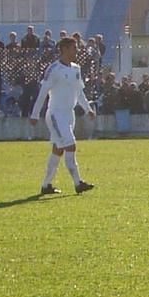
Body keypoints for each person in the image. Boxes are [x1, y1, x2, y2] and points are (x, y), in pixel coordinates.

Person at [32, 36, 96, 195]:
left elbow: (79, 92)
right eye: (73, 48)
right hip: (56, 114)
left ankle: (46, 185)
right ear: (64, 49)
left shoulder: (76, 69)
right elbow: (43, 92)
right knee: (71, 145)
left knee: (58, 150)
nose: (76, 51)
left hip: (69, 115)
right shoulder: (53, 69)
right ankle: (78, 183)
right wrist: (34, 114)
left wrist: (88, 109)